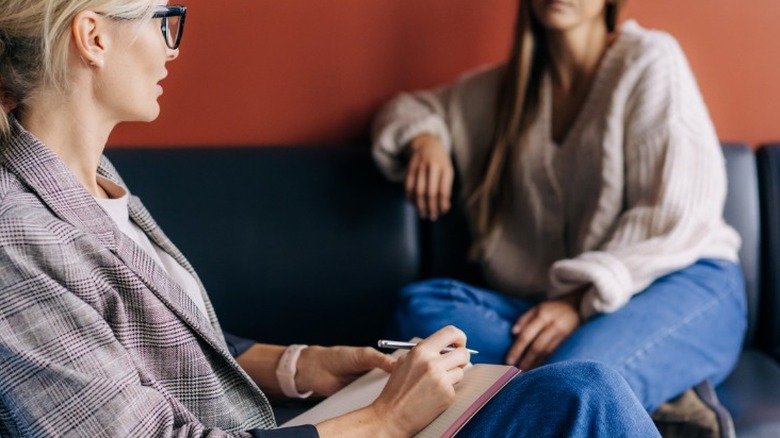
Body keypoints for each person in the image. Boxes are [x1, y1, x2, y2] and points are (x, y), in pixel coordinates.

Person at [0, 0, 665, 436]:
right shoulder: (16, 240)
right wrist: (386, 420)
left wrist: (307, 364)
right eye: (162, 18)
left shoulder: (99, 184)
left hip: (289, 419)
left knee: (583, 391)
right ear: (93, 36)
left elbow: (177, 344)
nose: (171, 46)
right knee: (590, 402)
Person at [372, 0, 746, 413]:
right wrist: (425, 140)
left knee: (575, 382)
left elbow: (677, 216)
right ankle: (619, 393)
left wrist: (577, 302)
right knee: (419, 312)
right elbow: (407, 109)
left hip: (680, 280)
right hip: (554, 305)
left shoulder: (649, 60)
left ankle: (592, 385)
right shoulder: (507, 90)